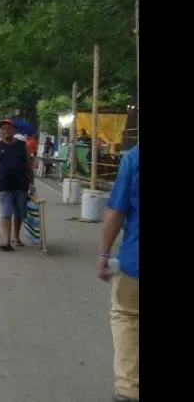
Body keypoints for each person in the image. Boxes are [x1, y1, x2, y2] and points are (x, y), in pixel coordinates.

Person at [96, 145, 139, 402]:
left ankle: (128, 389)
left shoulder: (134, 157)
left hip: (135, 262)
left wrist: (103, 253)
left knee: (127, 317)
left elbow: (116, 211)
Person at [0, 119, 34, 251]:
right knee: (6, 212)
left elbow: (29, 166)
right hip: (3, 185)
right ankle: (7, 240)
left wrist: (32, 184)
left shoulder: (22, 145)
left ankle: (16, 237)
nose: (6, 130)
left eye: (8, 128)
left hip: (21, 184)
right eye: (3, 128)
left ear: (14, 131)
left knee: (19, 213)